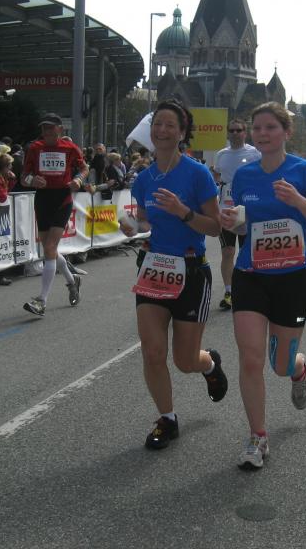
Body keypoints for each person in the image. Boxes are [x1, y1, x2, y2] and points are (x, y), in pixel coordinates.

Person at [219, 102, 306, 470]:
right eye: (257, 128)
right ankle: (258, 436)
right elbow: (243, 225)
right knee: (251, 358)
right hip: (251, 274)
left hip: (292, 277)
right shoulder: (245, 176)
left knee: (280, 364)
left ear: (287, 132)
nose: (262, 133)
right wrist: (232, 221)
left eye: (271, 127)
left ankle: (299, 369)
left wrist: (298, 200)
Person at [119, 98, 227, 450]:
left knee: (184, 361)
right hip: (153, 269)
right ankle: (167, 418)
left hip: (191, 270)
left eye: (169, 125)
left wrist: (183, 211)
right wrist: (132, 226)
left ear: (181, 133)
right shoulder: (144, 179)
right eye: (157, 124)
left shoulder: (197, 174)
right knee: (152, 352)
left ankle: (208, 364)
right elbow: (145, 222)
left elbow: (215, 227)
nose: (162, 130)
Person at [21, 113, 91, 316]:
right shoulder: (35, 148)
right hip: (43, 199)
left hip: (62, 199)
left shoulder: (70, 148)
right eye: (44, 128)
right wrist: (32, 180)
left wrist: (78, 179)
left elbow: (84, 168)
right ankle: (72, 280)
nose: (47, 131)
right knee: (48, 249)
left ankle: (41, 300)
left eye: (51, 127)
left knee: (50, 247)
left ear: (60, 129)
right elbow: (23, 177)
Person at [211, 117, 261, 310]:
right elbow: (217, 177)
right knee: (228, 251)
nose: (235, 133)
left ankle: (249, 289)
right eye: (231, 130)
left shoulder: (255, 153)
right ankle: (229, 292)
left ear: (245, 133)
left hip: (247, 209)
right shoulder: (221, 154)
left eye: (238, 130)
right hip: (226, 210)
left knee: (248, 251)